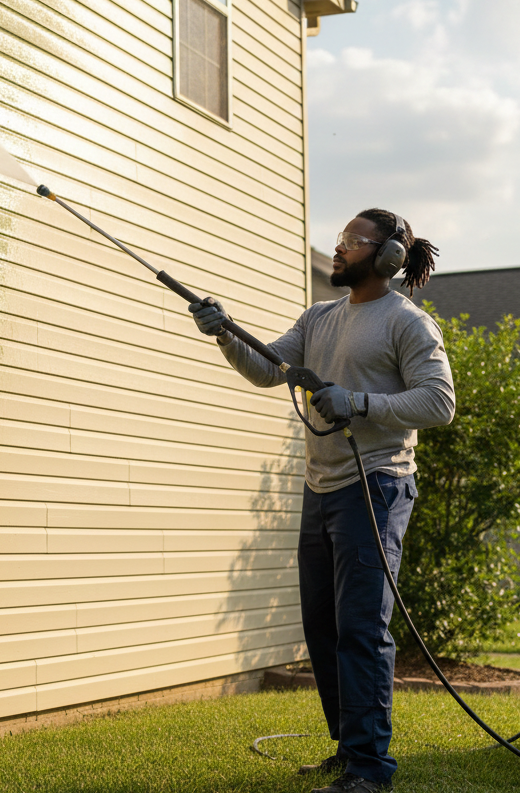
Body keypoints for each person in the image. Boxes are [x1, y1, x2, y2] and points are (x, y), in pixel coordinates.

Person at [187, 209, 455, 793]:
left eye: (353, 242)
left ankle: (369, 770)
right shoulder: (319, 317)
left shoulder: (407, 323)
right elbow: (266, 369)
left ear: (387, 258)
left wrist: (357, 403)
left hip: (377, 484)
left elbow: (438, 403)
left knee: (361, 628)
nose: (338, 249)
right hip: (321, 487)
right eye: (339, 239)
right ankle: (348, 749)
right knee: (324, 628)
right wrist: (223, 332)